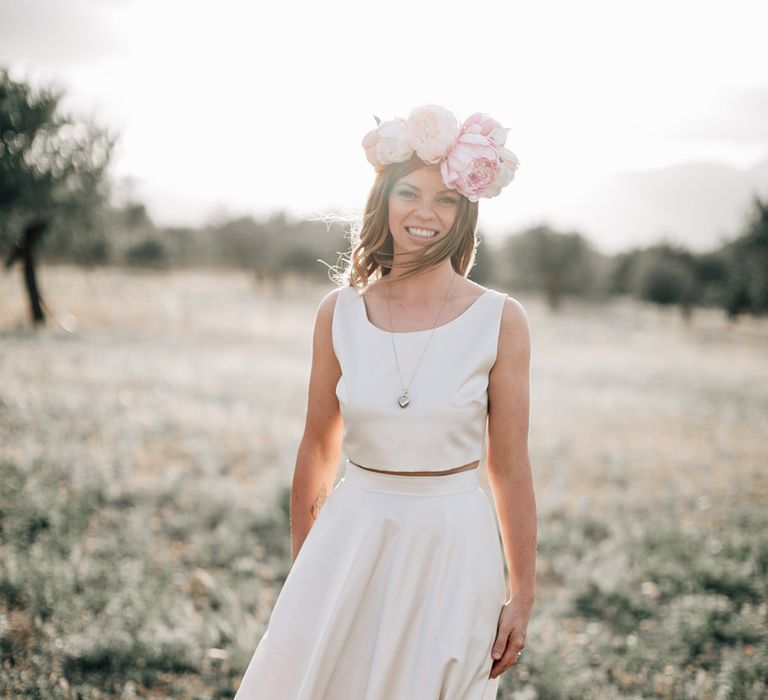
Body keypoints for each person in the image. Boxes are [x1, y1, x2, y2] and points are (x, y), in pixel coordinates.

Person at [234, 104, 537, 699]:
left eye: (446, 199)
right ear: (384, 199)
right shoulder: (339, 313)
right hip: (351, 537)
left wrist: (521, 593)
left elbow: (509, 464)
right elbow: (319, 446)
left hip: (453, 545)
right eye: (409, 193)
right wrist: (307, 571)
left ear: (465, 212)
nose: (426, 212)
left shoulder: (500, 319)